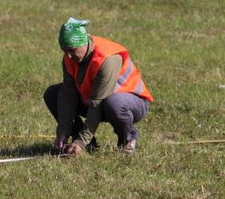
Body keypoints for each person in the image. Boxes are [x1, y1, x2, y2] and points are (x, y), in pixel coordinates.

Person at [43, 18, 153, 156]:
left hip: (129, 103)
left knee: (113, 103)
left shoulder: (107, 59)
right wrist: (62, 134)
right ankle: (86, 145)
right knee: (53, 94)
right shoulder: (70, 57)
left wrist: (82, 141)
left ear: (84, 43)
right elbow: (67, 97)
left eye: (72, 50)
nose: (68, 56)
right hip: (95, 101)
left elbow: (97, 103)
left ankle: (127, 139)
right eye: (64, 51)